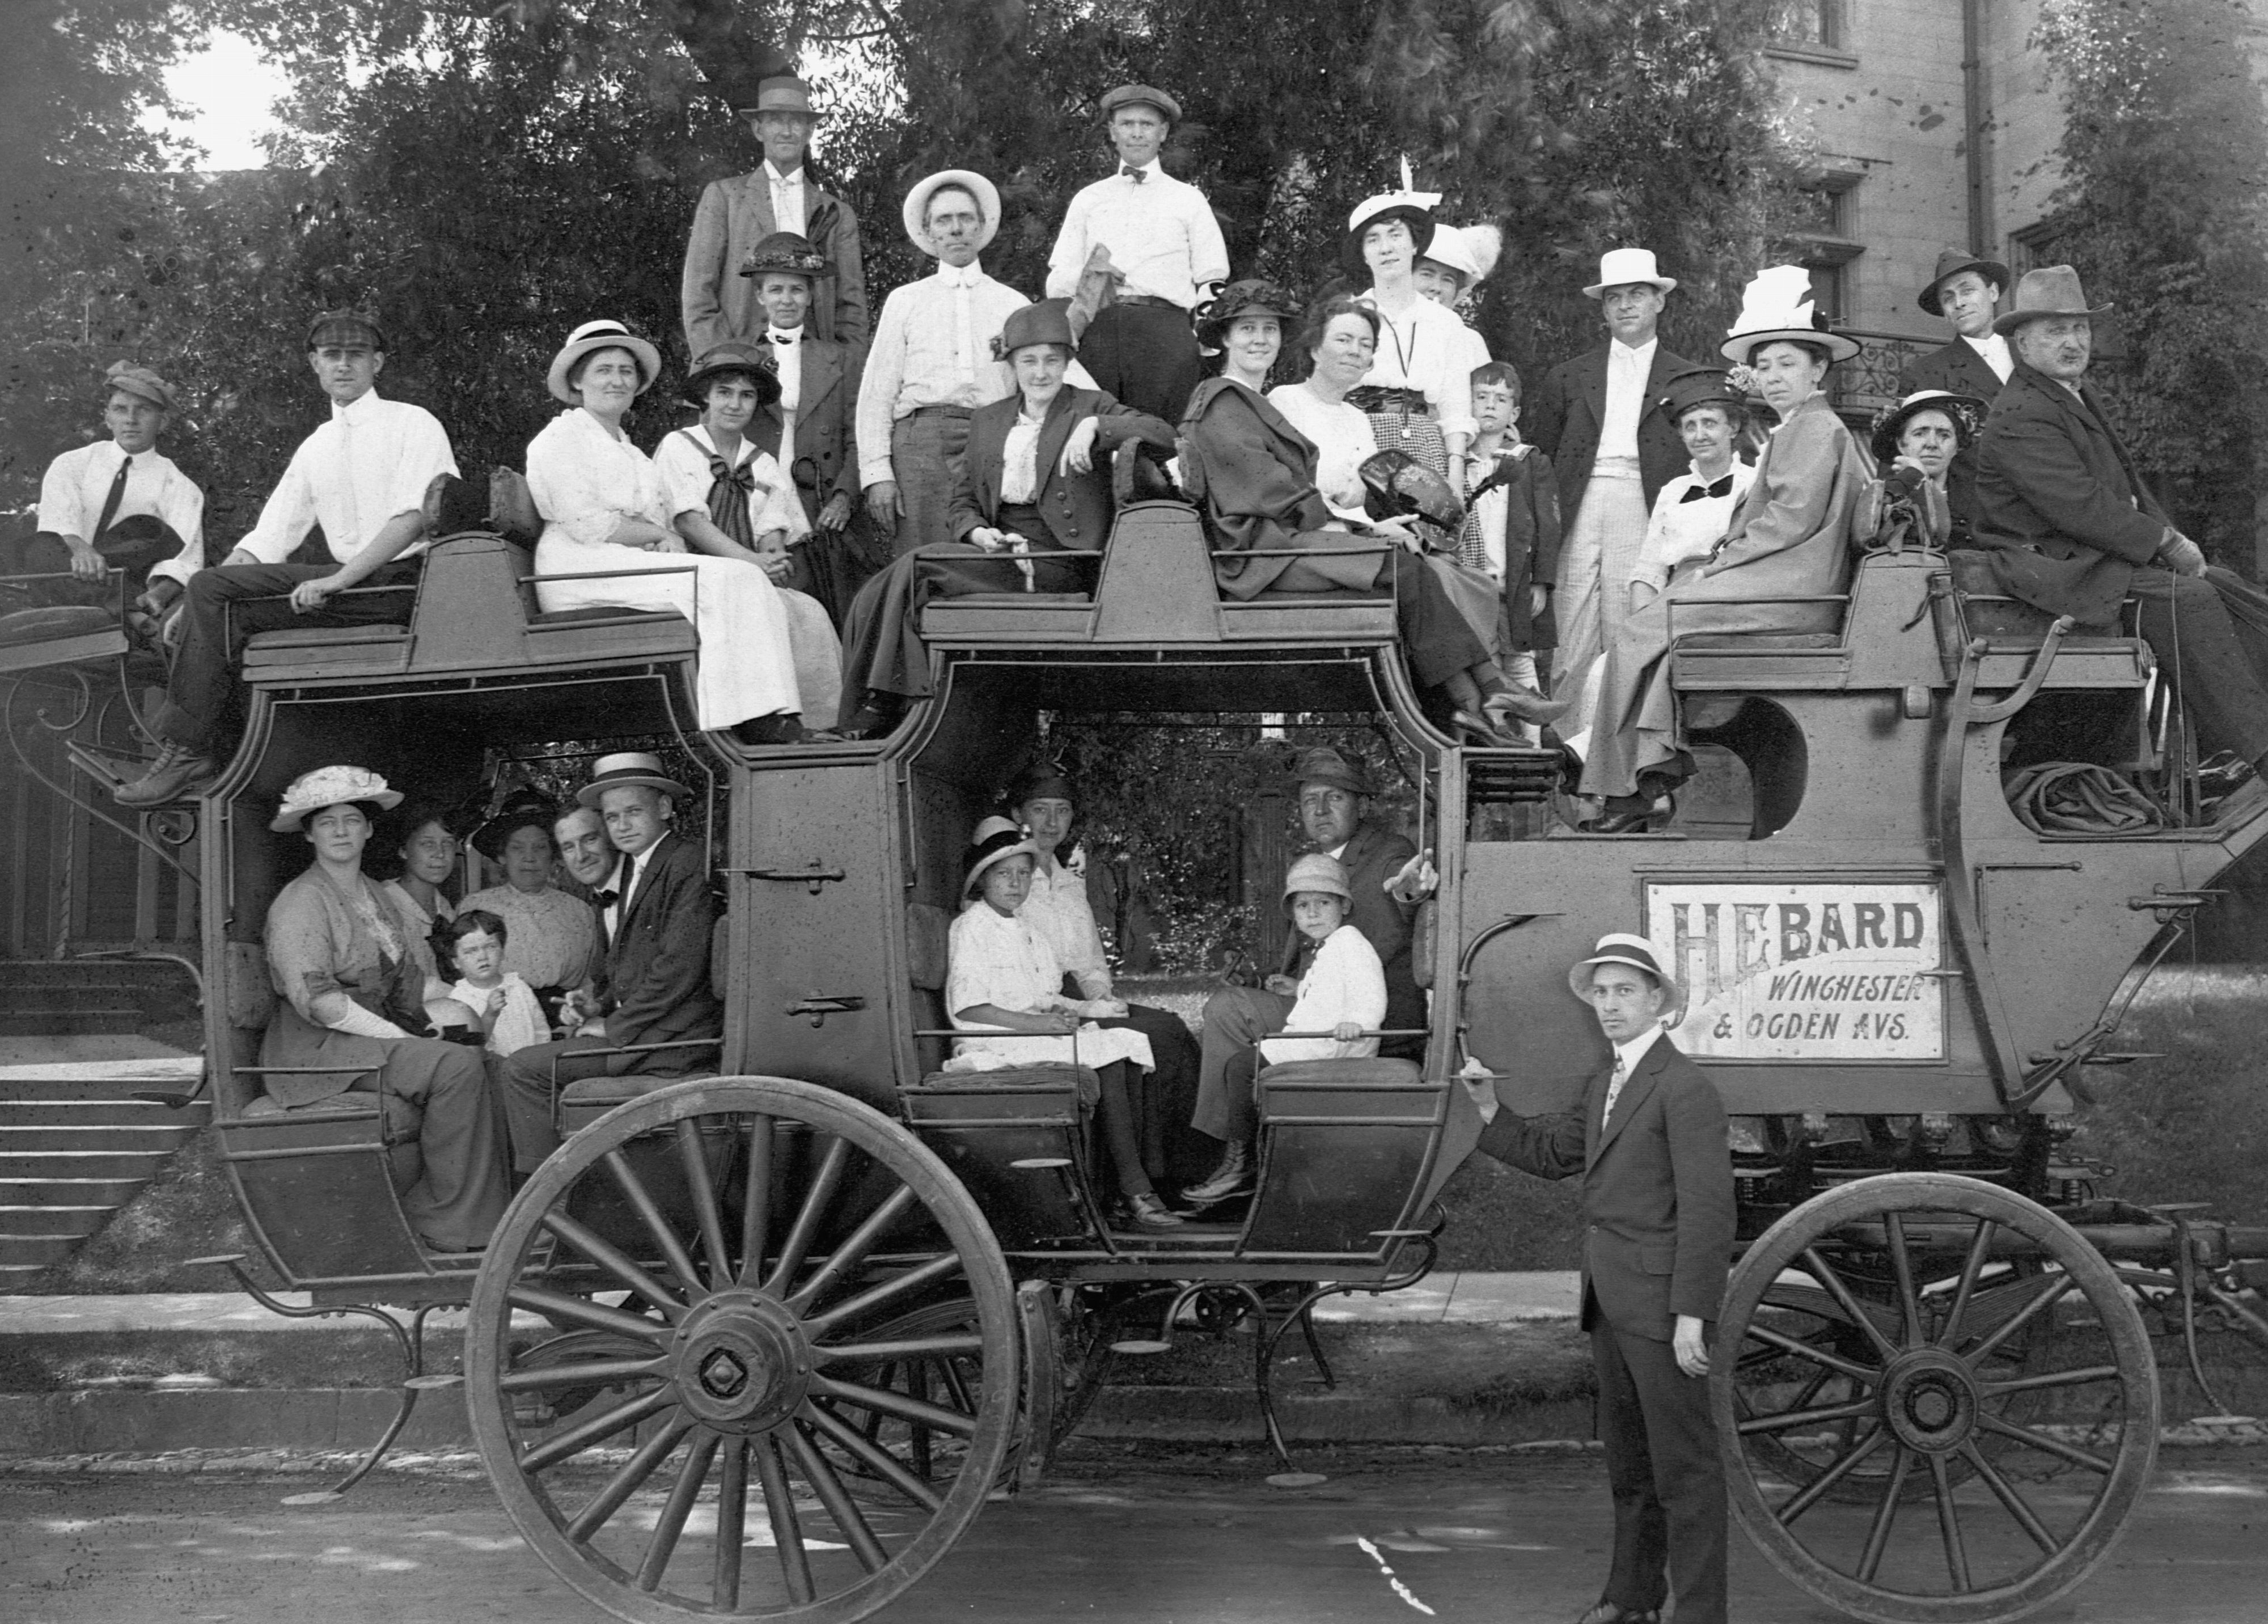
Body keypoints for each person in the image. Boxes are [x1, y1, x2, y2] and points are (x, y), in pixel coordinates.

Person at [1461, 934, 1734, 1624]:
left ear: (1656, 1003)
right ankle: (1630, 1599)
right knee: (1631, 1472)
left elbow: (1707, 1212)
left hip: (1662, 1308)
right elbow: (1556, 1155)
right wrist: (1491, 1110)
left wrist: (1693, 1316)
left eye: (1624, 993)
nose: (1609, 1006)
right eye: (1601, 994)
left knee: (1686, 1476)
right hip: (1608, 1301)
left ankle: (1700, 1615)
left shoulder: (1684, 1088)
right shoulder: (1604, 1081)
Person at [1182, 289, 1555, 745]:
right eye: (1247, 330)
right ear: (1225, 340)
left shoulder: (1251, 402)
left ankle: (1483, 708)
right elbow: (1270, 490)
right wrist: (1356, 527)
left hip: (1289, 540)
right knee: (1402, 570)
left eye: (1270, 329)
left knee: (1417, 570)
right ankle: (1488, 697)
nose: (1260, 340)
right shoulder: (1223, 401)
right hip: (1260, 552)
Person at [116, 311, 458, 807]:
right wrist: (191, 607)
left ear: (377, 363)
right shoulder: (317, 446)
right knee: (215, 603)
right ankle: (222, 752)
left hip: (402, 586)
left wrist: (340, 579)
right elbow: (270, 537)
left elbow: (413, 519)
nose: (344, 366)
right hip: (354, 588)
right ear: (315, 364)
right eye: (332, 356)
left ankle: (186, 749)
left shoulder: (412, 422)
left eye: (356, 356)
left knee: (210, 589)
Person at [1973, 265, 2268, 777]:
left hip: (2094, 556)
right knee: (2190, 599)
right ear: (2023, 343)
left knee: (2227, 587)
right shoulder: (2021, 411)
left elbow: (2127, 485)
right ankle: (2256, 752)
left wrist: (2176, 543)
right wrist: (2165, 542)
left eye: (2080, 329)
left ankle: (2231, 751)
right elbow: (2080, 504)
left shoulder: (2068, 393)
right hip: (2053, 569)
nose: (2073, 342)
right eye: (2056, 331)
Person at [836, 300, 1175, 735]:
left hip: (1061, 561)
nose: (1041, 373)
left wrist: (1097, 428)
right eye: (1029, 361)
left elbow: (1166, 435)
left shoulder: (1090, 405)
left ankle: (883, 702)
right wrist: (980, 534)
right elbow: (962, 503)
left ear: (1067, 363)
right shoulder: (989, 421)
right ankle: (882, 699)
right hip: (1001, 553)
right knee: (884, 583)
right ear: (1012, 365)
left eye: (1052, 361)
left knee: (915, 569)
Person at [525, 318, 820, 746]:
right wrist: (652, 535)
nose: (617, 380)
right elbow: (587, 523)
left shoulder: (626, 448)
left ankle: (780, 714)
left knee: (743, 580)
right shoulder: (560, 438)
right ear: (577, 379)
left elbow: (659, 521)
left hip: (621, 561)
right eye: (603, 370)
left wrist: (660, 537)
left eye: (626, 371)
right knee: (735, 577)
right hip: (577, 566)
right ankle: (754, 720)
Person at [257, 765, 507, 1253]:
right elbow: (322, 1003)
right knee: (454, 1067)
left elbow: (410, 983)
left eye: (351, 819)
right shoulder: (302, 901)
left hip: (373, 1037)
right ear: (309, 833)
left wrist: (469, 1007)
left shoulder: (373, 894)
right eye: (326, 822)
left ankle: (500, 1211)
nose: (341, 831)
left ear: (370, 827)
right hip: (318, 1052)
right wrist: (401, 1039)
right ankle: (449, 1223)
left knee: (488, 1060)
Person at [1184, 747, 1430, 1205]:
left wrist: (1411, 890)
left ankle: (1231, 1153)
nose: (1319, 809)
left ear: (1363, 804)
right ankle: (1236, 1142)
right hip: (1318, 1002)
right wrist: (1279, 980)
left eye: (1334, 797)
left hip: (1364, 1019)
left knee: (1226, 1011)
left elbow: (1402, 891)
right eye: (1309, 800)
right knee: (1232, 1001)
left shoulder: (1387, 852)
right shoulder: (1318, 864)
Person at [948, 816, 1180, 1229]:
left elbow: (1041, 993)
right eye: (1004, 875)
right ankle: (1134, 1189)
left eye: (1023, 874)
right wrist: (1034, 1025)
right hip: (997, 1039)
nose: (1015, 884)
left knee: (1126, 1044)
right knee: (1105, 1055)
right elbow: (970, 1009)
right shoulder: (972, 927)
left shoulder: (1025, 929)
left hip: (1029, 1031)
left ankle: (1117, 1189)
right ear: (982, 880)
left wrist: (1061, 1012)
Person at [500, 753, 723, 1173]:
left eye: (634, 812)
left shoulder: (685, 862)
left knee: (520, 1070)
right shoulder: (638, 870)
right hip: (650, 1032)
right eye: (614, 815)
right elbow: (627, 971)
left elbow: (679, 968)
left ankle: (548, 1191)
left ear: (664, 808)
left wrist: (615, 1026)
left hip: (671, 1043)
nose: (622, 825)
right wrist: (595, 1006)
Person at [1004, 762, 1204, 1181]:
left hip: (1080, 997)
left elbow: (1091, 962)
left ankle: (1184, 1168)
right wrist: (1086, 1007)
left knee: (1173, 1027)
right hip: (1039, 1005)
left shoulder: (1068, 883)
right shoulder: (1011, 881)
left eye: (1062, 810)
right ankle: (1158, 1174)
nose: (1052, 822)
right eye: (1040, 810)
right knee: (1160, 1037)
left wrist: (1104, 999)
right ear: (1020, 815)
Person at [1527, 250, 1696, 731]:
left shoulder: (1685, 378)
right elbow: (1542, 459)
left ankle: (1622, 765)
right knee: (1572, 631)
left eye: (1637, 295)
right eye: (1615, 298)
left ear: (1659, 301)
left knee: (1630, 625)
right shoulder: (1568, 376)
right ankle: (1571, 762)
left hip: (1643, 502)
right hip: (1580, 502)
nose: (1626, 306)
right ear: (1603, 309)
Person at [651, 340, 844, 730]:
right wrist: (752, 563)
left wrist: (770, 559)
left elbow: (772, 529)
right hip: (693, 570)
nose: (734, 405)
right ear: (706, 396)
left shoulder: (764, 462)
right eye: (724, 393)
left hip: (749, 571)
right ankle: (763, 718)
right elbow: (689, 521)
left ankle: (816, 722)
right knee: (756, 606)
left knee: (808, 612)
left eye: (747, 395)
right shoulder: (680, 447)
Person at [1190, 853, 1388, 1203]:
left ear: (1344, 906)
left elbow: (1372, 993)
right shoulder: (1331, 948)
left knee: (1241, 1066)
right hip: (1315, 1042)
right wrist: (1298, 990)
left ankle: (1243, 1163)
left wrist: (1359, 1024)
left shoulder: (1352, 944)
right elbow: (1330, 991)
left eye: (1323, 903)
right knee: (1245, 1064)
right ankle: (1254, 1154)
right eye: (1302, 906)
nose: (1312, 913)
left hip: (1332, 1047)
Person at [858, 171, 1033, 559]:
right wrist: (877, 474)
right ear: (929, 232)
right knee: (922, 560)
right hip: (921, 444)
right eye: (944, 220)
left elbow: (1040, 381)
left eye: (966, 218)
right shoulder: (906, 301)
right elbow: (877, 392)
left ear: (982, 225)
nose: (956, 230)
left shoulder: (1013, 303)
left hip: (992, 438)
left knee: (989, 556)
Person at [1044, 84, 1227, 424]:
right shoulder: (1089, 198)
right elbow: (1058, 281)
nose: (1137, 133)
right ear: (1113, 132)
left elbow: (1212, 277)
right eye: (1127, 124)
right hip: (1099, 330)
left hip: (1165, 333)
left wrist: (1197, 340)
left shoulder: (1188, 199)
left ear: (1163, 133)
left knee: (1160, 440)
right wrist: (1091, 277)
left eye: (1147, 124)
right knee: (1093, 436)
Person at [728, 231, 875, 622]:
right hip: (762, 494)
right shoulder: (740, 359)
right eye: (775, 290)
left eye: (797, 290)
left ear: (811, 296)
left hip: (822, 495)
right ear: (760, 296)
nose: (786, 300)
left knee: (832, 604)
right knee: (770, 605)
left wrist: (845, 495)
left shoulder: (840, 359)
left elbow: (858, 433)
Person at [5, 362, 204, 639]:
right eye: (121, 409)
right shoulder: (72, 464)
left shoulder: (181, 487)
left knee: (145, 526)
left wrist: (158, 595)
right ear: (108, 418)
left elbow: (187, 561)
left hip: (129, 576)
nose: (131, 420)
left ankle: (132, 607)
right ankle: (131, 613)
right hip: (66, 575)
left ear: (164, 421)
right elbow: (59, 519)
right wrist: (80, 549)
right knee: (43, 547)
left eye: (143, 410)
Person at [680, 74, 866, 354]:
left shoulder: (837, 212)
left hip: (817, 366)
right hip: (741, 365)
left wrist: (845, 369)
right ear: (758, 129)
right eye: (776, 120)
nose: (787, 131)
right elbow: (699, 294)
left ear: (809, 131)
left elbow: (851, 307)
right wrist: (724, 363)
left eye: (796, 121)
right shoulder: (725, 198)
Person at [1343, 183, 1478, 497]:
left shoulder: (1446, 323)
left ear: (1415, 245)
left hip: (1424, 447)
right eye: (1373, 240)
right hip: (1360, 444)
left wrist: (1455, 479)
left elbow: (1456, 410)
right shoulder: (1348, 316)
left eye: (1395, 236)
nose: (1386, 248)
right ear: (1363, 254)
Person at [1460, 361, 1562, 738]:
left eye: (1501, 399)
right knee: (1483, 663)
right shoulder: (1457, 462)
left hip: (1515, 582)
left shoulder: (1529, 460)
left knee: (1520, 662)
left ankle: (1533, 744)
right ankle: (1495, 744)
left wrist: (1542, 581)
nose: (1490, 405)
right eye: (1481, 396)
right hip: (1473, 583)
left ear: (1514, 412)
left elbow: (1549, 524)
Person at [458, 788, 598, 1032]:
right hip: (501, 1019)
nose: (529, 858)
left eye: (540, 848)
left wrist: (579, 1012)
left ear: (553, 855)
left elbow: (590, 978)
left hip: (568, 1020)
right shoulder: (476, 907)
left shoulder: (579, 911)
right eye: (517, 848)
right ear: (502, 856)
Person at [1901, 248, 2014, 529]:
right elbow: (1904, 459)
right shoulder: (1926, 374)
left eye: (1968, 291)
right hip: (1977, 522)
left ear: (1994, 292)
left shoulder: (2031, 356)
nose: (1959, 303)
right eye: (1948, 298)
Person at [1628, 370, 1757, 604]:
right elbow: (1650, 568)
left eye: (1709, 423)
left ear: (1733, 427)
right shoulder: (1673, 492)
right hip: (1675, 601)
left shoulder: (1754, 484)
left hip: (1733, 599)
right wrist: (1642, 617)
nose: (1700, 436)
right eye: (1690, 427)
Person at [1866, 389, 1986, 551]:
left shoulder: (1980, 499)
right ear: (1902, 444)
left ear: (1958, 446)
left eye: (1944, 435)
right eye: (1920, 434)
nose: (1932, 444)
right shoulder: (1884, 494)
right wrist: (1914, 475)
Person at [438, 910, 549, 1058]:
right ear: (456, 962)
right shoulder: (457, 1001)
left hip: (529, 1068)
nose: (482, 957)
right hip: (489, 1073)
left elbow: (540, 1031)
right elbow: (466, 1051)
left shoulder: (518, 987)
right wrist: (489, 1014)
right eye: (471, 951)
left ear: (502, 951)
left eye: (490, 947)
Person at [1411, 222, 1500, 392]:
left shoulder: (1470, 342)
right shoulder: (1378, 326)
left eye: (1448, 280)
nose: (1436, 287)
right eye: (1427, 274)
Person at [378, 805, 459, 952]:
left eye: (448, 843)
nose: (440, 853)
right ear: (403, 851)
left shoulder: (446, 909)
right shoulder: (382, 903)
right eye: (428, 844)